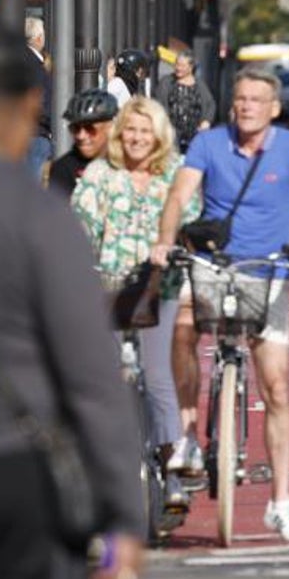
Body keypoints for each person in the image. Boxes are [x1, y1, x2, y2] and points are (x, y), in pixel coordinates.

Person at [0, 28, 143, 579]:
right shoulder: (40, 216)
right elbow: (89, 372)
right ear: (32, 104)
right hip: (14, 471)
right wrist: (125, 516)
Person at [151, 65, 289, 542]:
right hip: (214, 263)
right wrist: (166, 241)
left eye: (257, 99)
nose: (247, 106)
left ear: (274, 108)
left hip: (267, 271)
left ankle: (281, 502)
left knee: (275, 386)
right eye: (241, 98)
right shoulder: (209, 145)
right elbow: (178, 196)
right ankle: (189, 437)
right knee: (184, 323)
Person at [72, 96, 197, 513]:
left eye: (145, 131)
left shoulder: (173, 175)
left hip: (157, 290)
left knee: (159, 375)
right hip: (109, 289)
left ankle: (172, 469)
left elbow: (191, 213)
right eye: (130, 130)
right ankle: (108, 473)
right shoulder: (100, 174)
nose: (137, 138)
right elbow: (81, 226)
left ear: (158, 135)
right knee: (112, 380)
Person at [48, 88, 120, 197]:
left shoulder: (126, 163)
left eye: (89, 128)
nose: (81, 136)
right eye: (75, 128)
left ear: (109, 127)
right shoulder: (62, 169)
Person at [154, 50, 215, 153]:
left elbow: (210, 104)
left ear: (191, 67)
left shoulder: (199, 85)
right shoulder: (167, 82)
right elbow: (159, 104)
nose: (178, 68)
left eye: (182, 65)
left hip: (194, 134)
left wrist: (206, 121)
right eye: (177, 64)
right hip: (172, 134)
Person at [23, 16, 54, 181]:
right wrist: (51, 121)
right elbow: (41, 102)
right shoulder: (35, 66)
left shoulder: (20, 61)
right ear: (39, 38)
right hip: (37, 133)